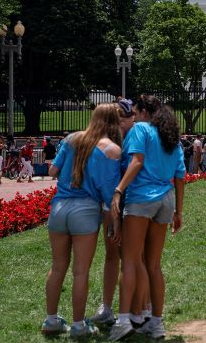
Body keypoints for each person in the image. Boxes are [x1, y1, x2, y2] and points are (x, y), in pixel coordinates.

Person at [42, 103, 122, 338]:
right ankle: (78, 325)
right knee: (80, 272)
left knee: (57, 267)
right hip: (85, 210)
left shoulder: (71, 139)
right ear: (112, 122)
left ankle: (51, 320)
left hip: (59, 207)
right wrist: (115, 220)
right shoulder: (112, 150)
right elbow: (109, 193)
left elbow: (53, 171)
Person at [109, 95, 185, 341]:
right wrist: (179, 212)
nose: (133, 116)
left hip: (141, 198)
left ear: (142, 112)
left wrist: (119, 190)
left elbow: (136, 161)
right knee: (153, 264)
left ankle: (123, 321)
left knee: (130, 260)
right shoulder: (171, 138)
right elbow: (180, 176)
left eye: (135, 111)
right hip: (166, 199)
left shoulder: (141, 129)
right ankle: (157, 322)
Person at [90, 98, 136, 328]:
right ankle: (107, 306)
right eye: (117, 117)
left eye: (124, 117)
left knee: (131, 257)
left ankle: (134, 309)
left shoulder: (134, 139)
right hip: (113, 207)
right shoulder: (107, 145)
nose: (120, 122)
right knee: (112, 254)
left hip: (133, 205)